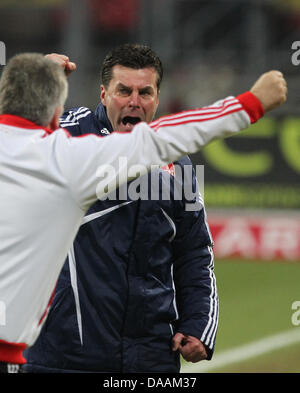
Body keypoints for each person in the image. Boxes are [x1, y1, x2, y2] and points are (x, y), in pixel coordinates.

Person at [22, 44, 287, 373]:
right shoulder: (65, 134)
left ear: (158, 98)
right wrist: (34, 92)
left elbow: (193, 251)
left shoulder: (179, 166)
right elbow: (13, 146)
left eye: (144, 92)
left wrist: (198, 323)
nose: (134, 101)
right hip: (64, 356)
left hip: (150, 358)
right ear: (103, 94)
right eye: (124, 91)